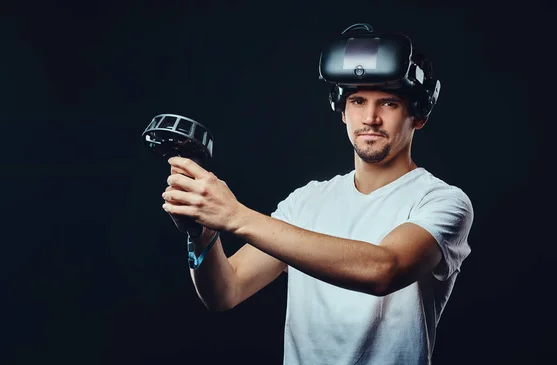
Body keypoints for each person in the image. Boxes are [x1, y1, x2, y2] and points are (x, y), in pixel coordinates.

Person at [160, 24, 474, 365]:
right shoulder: (306, 202)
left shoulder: (442, 201)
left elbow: (385, 269)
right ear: (342, 109)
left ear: (418, 114)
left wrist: (233, 216)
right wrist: (203, 233)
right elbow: (226, 291)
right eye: (357, 100)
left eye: (389, 102)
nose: (370, 118)